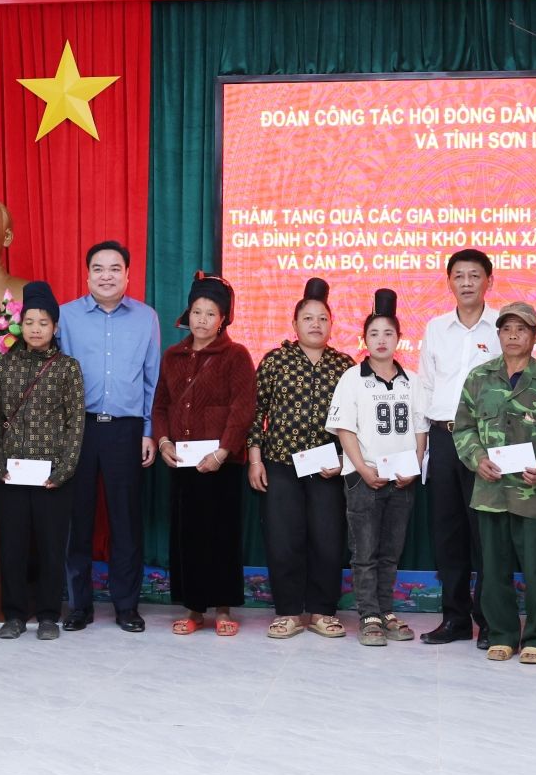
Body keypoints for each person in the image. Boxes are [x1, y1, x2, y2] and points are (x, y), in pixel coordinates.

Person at [57, 241, 162, 633]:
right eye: (98, 269)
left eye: (115, 269)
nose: (106, 276)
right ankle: (79, 605)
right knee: (77, 520)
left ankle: (126, 606)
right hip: (79, 429)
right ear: (87, 275)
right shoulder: (65, 316)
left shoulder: (146, 318)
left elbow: (152, 379)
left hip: (126, 430)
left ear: (127, 275)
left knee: (125, 520)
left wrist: (149, 431)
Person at [453, 302, 536, 663]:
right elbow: (463, 428)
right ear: (498, 334)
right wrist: (477, 459)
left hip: (535, 492)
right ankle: (502, 634)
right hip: (491, 491)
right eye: (506, 329)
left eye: (522, 329)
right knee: (493, 569)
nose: (513, 335)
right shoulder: (479, 377)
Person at [247, 277, 355, 640]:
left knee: (328, 539)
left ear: (332, 324)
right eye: (308, 318)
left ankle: (323, 612)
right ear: (294, 324)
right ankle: (289, 612)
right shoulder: (276, 360)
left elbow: (356, 420)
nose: (315, 324)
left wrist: (343, 460)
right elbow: (256, 411)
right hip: (280, 464)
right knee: (283, 538)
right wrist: (255, 459)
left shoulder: (344, 365)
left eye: (323, 318)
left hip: (328, 468)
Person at [155, 273, 256, 635]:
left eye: (210, 314)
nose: (202, 320)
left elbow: (242, 409)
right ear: (188, 313)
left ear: (223, 319)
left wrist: (222, 451)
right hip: (183, 463)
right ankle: (194, 609)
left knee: (221, 535)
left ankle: (224, 609)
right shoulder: (173, 356)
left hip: (222, 465)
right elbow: (161, 405)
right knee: (189, 536)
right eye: (197, 312)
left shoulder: (236, 355)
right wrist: (163, 442)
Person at [327, 289, 424, 647]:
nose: (381, 340)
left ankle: (386, 611)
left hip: (402, 480)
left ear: (399, 338)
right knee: (364, 552)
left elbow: (420, 429)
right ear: (364, 339)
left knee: (390, 551)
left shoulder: (413, 380)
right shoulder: (352, 378)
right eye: (374, 333)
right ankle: (368, 614)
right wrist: (363, 469)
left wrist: (414, 466)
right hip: (363, 478)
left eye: (388, 333)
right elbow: (344, 429)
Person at [0, 280, 84, 641]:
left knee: (50, 546)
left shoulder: (67, 368)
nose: (36, 329)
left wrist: (64, 470)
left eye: (43, 323)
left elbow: (76, 422)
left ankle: (47, 615)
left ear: (55, 327)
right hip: (12, 475)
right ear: (20, 325)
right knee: (12, 547)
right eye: (29, 322)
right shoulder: (5, 366)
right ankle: (14, 615)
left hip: (52, 476)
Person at [416, 249, 498, 647]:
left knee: (485, 533)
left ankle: (489, 620)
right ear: (449, 282)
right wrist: (423, 444)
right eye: (459, 276)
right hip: (444, 436)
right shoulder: (436, 328)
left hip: (485, 441)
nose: (466, 283)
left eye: (474, 275)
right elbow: (425, 386)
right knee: (448, 532)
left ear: (488, 281)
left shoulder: (501, 326)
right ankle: (455, 619)